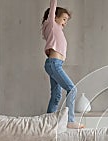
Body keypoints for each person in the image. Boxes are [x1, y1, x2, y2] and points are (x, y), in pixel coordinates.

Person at [42, 0, 83, 128]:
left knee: (56, 94)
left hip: (55, 64)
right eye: (63, 19)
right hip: (54, 64)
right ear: (54, 17)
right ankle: (70, 120)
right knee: (72, 89)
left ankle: (49, 122)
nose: (65, 22)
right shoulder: (51, 25)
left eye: (66, 20)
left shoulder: (57, 30)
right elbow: (52, 7)